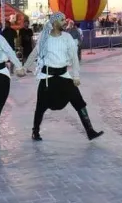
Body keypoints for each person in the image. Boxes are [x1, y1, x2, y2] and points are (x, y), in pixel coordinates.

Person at [23, 12, 103, 141]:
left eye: (64, 19)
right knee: (40, 106)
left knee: (79, 102)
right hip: (47, 77)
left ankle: (90, 131)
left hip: (64, 76)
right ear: (54, 23)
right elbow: (34, 54)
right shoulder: (44, 38)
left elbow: (74, 57)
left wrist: (76, 76)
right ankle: (35, 131)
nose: (65, 22)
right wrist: (24, 67)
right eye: (62, 20)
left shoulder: (67, 37)